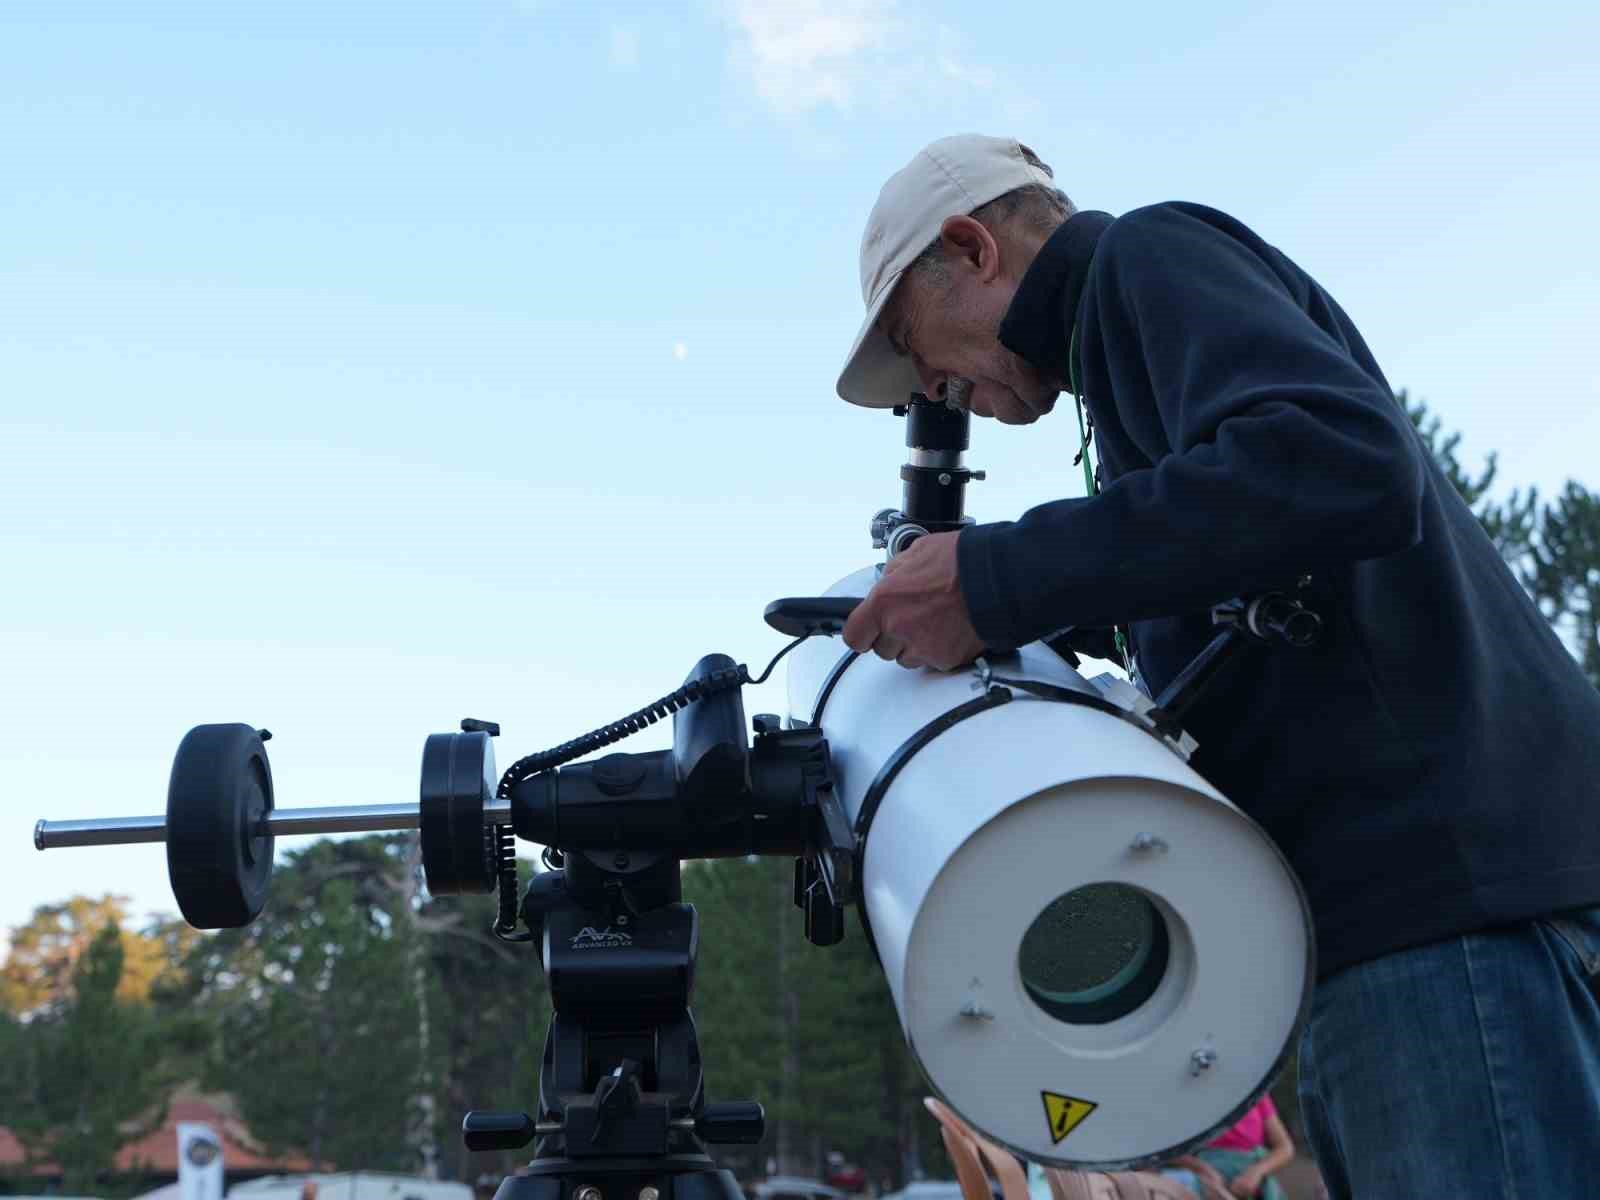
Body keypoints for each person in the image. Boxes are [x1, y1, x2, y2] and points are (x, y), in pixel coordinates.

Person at [833, 134, 1600, 1198]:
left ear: (969, 248)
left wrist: (997, 575)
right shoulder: (1116, 368)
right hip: (1399, 927)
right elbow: (1242, 548)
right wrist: (1033, 613)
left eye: (921, 354)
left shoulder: (1146, 260)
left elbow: (1341, 464)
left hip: (1437, 912)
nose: (938, 392)